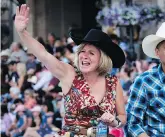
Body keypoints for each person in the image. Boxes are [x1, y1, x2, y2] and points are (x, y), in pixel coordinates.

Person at [14, 4, 126, 137]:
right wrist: (23, 32)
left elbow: (122, 116)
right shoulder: (70, 74)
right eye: (82, 51)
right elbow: (43, 55)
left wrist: (115, 122)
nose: (84, 55)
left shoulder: (113, 82)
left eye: (91, 53)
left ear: (102, 59)